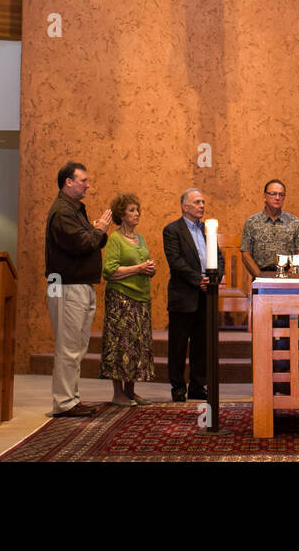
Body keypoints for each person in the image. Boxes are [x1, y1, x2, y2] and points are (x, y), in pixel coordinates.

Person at [44, 161, 112, 418]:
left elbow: (90, 242)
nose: (88, 185)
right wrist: (98, 230)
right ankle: (64, 402)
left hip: (78, 285)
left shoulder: (74, 209)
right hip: (66, 286)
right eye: (83, 180)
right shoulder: (62, 211)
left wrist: (97, 232)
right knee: (68, 347)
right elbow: (82, 244)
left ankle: (71, 398)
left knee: (77, 347)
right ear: (68, 182)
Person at [163, 188, 223, 402]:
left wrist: (214, 279)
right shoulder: (172, 230)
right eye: (197, 202)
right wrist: (198, 279)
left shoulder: (208, 231)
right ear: (184, 206)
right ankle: (178, 388)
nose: (202, 206)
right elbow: (176, 261)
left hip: (206, 295)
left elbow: (219, 258)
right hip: (184, 296)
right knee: (178, 346)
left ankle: (198, 386)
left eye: (203, 202)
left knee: (202, 344)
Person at [100, 192, 156, 406]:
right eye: (132, 210)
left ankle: (131, 391)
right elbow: (109, 271)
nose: (137, 213)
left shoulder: (139, 237)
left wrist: (149, 269)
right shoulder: (115, 239)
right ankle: (117, 394)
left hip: (141, 297)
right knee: (119, 344)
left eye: (137, 210)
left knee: (136, 345)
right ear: (121, 215)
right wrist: (139, 268)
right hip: (121, 299)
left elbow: (142, 264)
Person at [240, 179, 299, 278]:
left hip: (288, 277)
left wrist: (288, 276)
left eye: (281, 195)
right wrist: (260, 277)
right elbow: (245, 255)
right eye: (273, 194)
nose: (277, 198)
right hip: (261, 275)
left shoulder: (294, 222)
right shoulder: (252, 222)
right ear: (264, 196)